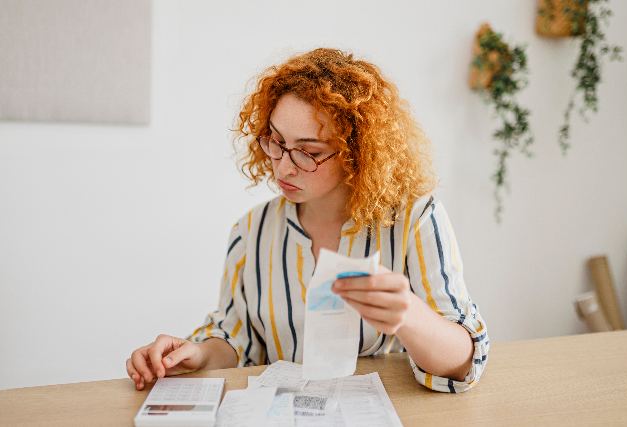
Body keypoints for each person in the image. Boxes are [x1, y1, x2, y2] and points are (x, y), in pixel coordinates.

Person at [126, 48, 489, 393]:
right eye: (277, 142)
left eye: (308, 152)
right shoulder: (251, 231)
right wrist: (197, 354)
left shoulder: (415, 219)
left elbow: (464, 363)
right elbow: (237, 338)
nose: (283, 166)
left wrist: (409, 315)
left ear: (356, 154)